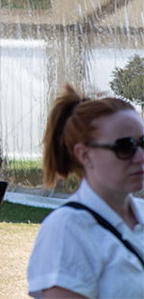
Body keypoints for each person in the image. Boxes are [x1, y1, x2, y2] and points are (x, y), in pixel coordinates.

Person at [27, 85, 144, 298]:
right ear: (84, 154)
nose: (140, 157)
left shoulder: (140, 213)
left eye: (142, 143)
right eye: (125, 147)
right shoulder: (67, 230)